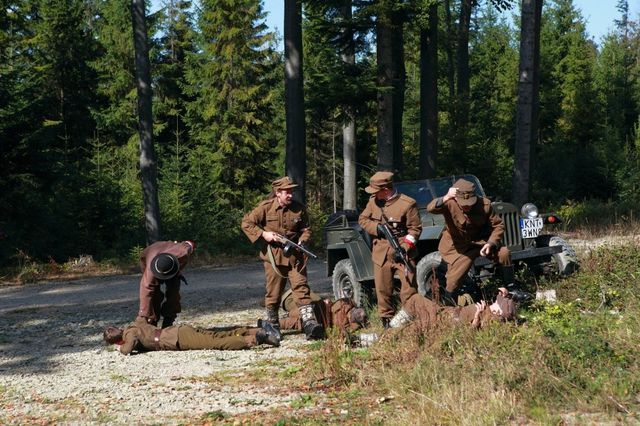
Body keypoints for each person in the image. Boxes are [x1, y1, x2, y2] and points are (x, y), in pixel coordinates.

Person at [241, 176, 323, 340]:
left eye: (291, 191)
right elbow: (246, 223)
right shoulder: (265, 208)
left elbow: (306, 229)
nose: (290, 195)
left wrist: (303, 241)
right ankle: (273, 325)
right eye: (287, 192)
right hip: (274, 258)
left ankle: (309, 325)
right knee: (274, 293)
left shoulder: (299, 209)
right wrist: (264, 234)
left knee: (301, 288)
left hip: (295, 257)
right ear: (278, 192)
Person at [426, 178, 512, 304]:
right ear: (455, 197)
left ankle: (511, 288)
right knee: (453, 281)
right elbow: (431, 208)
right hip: (459, 247)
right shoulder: (449, 203)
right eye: (463, 203)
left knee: (504, 253)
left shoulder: (485, 205)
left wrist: (490, 243)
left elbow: (498, 226)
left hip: (481, 244)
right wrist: (446, 196)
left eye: (470, 203)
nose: (467, 206)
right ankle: (449, 303)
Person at [358, 171, 422, 328]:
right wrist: (377, 228)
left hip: (402, 251)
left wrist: (405, 247)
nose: (373, 194)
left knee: (409, 289)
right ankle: (387, 322)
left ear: (385, 189)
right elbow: (363, 219)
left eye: (376, 191)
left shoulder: (408, 203)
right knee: (383, 289)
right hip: (381, 252)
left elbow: (415, 230)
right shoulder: (373, 201)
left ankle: (408, 320)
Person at [103, 318, 281, 355]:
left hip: (177, 339)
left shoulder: (130, 334)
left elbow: (127, 349)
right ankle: (250, 330)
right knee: (216, 334)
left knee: (215, 343)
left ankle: (256, 338)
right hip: (178, 330)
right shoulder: (134, 325)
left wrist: (120, 347)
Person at [137, 240, 195, 328]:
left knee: (174, 292)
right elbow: (146, 291)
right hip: (151, 262)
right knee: (154, 296)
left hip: (171, 266)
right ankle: (152, 322)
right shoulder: (150, 271)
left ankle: (168, 320)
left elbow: (189, 244)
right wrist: (143, 315)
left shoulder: (182, 252)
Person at [277, 289, 367, 336]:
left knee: (302, 318)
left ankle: (273, 324)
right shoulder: (348, 303)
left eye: (359, 315)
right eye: (359, 311)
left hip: (319, 318)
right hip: (314, 304)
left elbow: (344, 334)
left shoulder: (351, 326)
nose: (359, 313)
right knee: (306, 306)